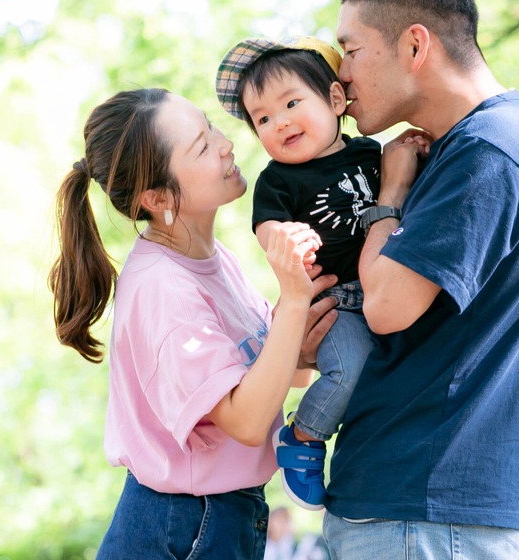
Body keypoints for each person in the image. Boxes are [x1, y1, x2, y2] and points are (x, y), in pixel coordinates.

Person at [322, 0, 519, 559]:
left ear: (414, 45)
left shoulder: (493, 147)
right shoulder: (467, 147)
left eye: (350, 51)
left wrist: (389, 195)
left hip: (423, 513)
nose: (339, 78)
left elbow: (385, 306)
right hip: (408, 511)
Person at [49, 88, 339, 559]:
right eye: (202, 146)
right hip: (185, 527)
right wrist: (291, 301)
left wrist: (308, 331)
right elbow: (246, 421)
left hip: (220, 517)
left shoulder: (211, 258)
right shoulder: (163, 287)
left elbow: (285, 373)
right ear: (158, 196)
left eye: (210, 128)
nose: (225, 143)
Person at [216, 36, 397, 510]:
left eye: (292, 102)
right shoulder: (278, 179)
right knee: (347, 373)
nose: (281, 122)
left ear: (335, 100)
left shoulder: (368, 152)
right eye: (264, 119)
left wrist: (411, 149)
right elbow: (267, 225)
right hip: (335, 304)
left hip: (384, 286)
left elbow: (399, 188)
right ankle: (303, 434)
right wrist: (283, 238)